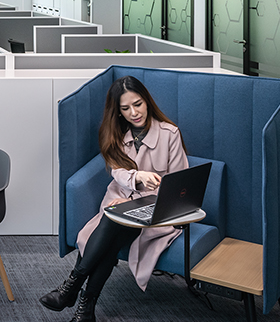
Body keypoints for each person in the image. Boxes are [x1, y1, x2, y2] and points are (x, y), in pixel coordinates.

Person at [39, 75, 188, 322]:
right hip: (120, 201)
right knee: (112, 224)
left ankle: (71, 288)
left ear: (147, 101)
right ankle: (85, 308)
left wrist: (149, 193)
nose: (134, 113)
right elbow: (117, 172)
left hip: (154, 209)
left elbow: (180, 184)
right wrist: (136, 177)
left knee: (111, 223)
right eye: (126, 108)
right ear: (118, 112)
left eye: (138, 104)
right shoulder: (116, 134)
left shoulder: (169, 133)